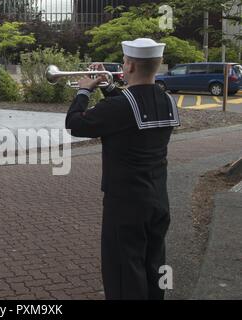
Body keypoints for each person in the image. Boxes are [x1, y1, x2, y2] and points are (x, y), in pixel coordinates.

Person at [65, 38, 180, 300]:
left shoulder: (119, 107)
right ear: (158, 64)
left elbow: (75, 124)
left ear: (127, 66)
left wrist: (83, 90)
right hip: (159, 199)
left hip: (125, 203)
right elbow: (132, 112)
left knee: (123, 271)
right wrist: (109, 87)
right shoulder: (167, 100)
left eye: (125, 62)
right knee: (154, 265)